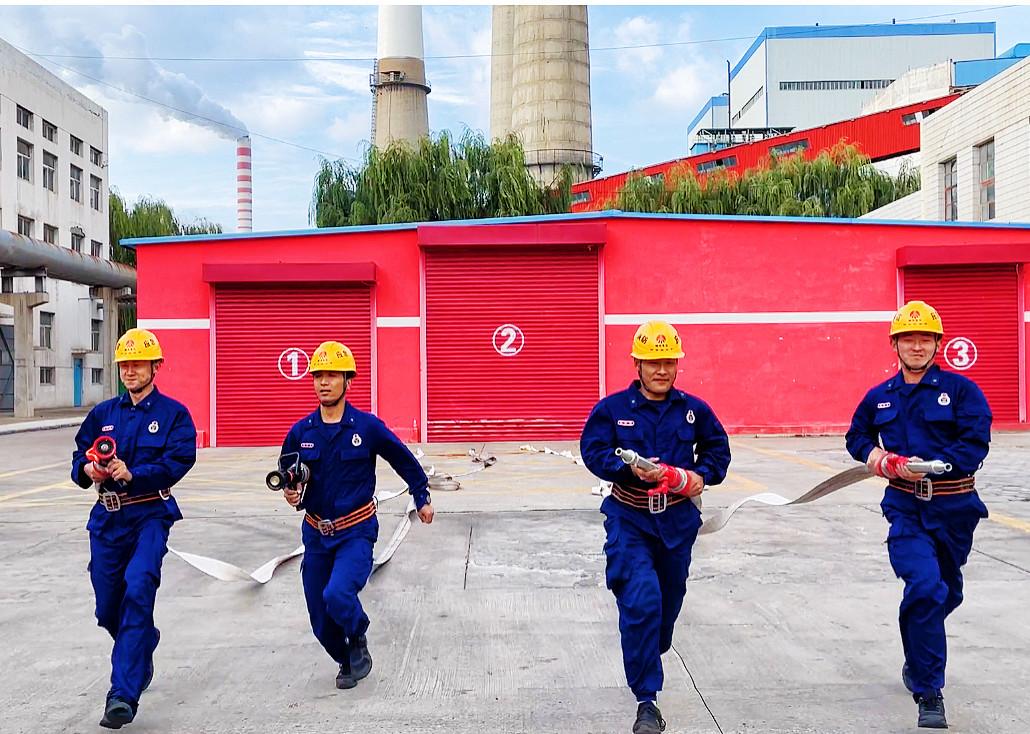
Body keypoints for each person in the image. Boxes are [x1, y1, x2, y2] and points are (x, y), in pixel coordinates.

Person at [846, 300, 991, 730]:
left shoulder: (962, 391)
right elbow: (856, 436)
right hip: (906, 508)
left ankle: (917, 645)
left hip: (955, 508)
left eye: (924, 338)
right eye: (907, 339)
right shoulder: (880, 397)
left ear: (937, 344)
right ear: (894, 344)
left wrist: (935, 465)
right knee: (925, 587)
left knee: (946, 594)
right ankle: (929, 692)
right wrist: (880, 459)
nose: (916, 346)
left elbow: (975, 443)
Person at [580, 321, 731, 734]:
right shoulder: (612, 410)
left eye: (668, 362)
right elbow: (592, 450)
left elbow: (718, 452)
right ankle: (647, 702)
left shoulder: (694, 410)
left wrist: (700, 476)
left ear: (677, 364)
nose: (661, 370)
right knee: (641, 600)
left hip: (677, 523)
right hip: (629, 518)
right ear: (637, 364)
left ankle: (652, 644)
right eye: (652, 363)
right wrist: (627, 470)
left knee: (666, 607)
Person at [279, 340, 434, 690]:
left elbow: (404, 460)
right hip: (316, 534)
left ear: (348, 381)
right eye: (318, 375)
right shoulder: (302, 431)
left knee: (337, 594)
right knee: (320, 619)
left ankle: (357, 634)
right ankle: (346, 657)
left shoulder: (366, 428)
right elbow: (288, 470)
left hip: (356, 532)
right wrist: (291, 490)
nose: (324, 382)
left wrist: (421, 496)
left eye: (333, 375)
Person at [71, 328, 198, 729]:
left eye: (138, 364)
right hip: (107, 520)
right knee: (108, 607)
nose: (130, 371)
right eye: (124, 365)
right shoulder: (103, 414)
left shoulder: (174, 415)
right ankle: (143, 643)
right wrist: (88, 469)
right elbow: (78, 457)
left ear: (156, 367)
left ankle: (122, 695)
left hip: (149, 516)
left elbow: (179, 461)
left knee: (139, 588)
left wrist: (134, 473)